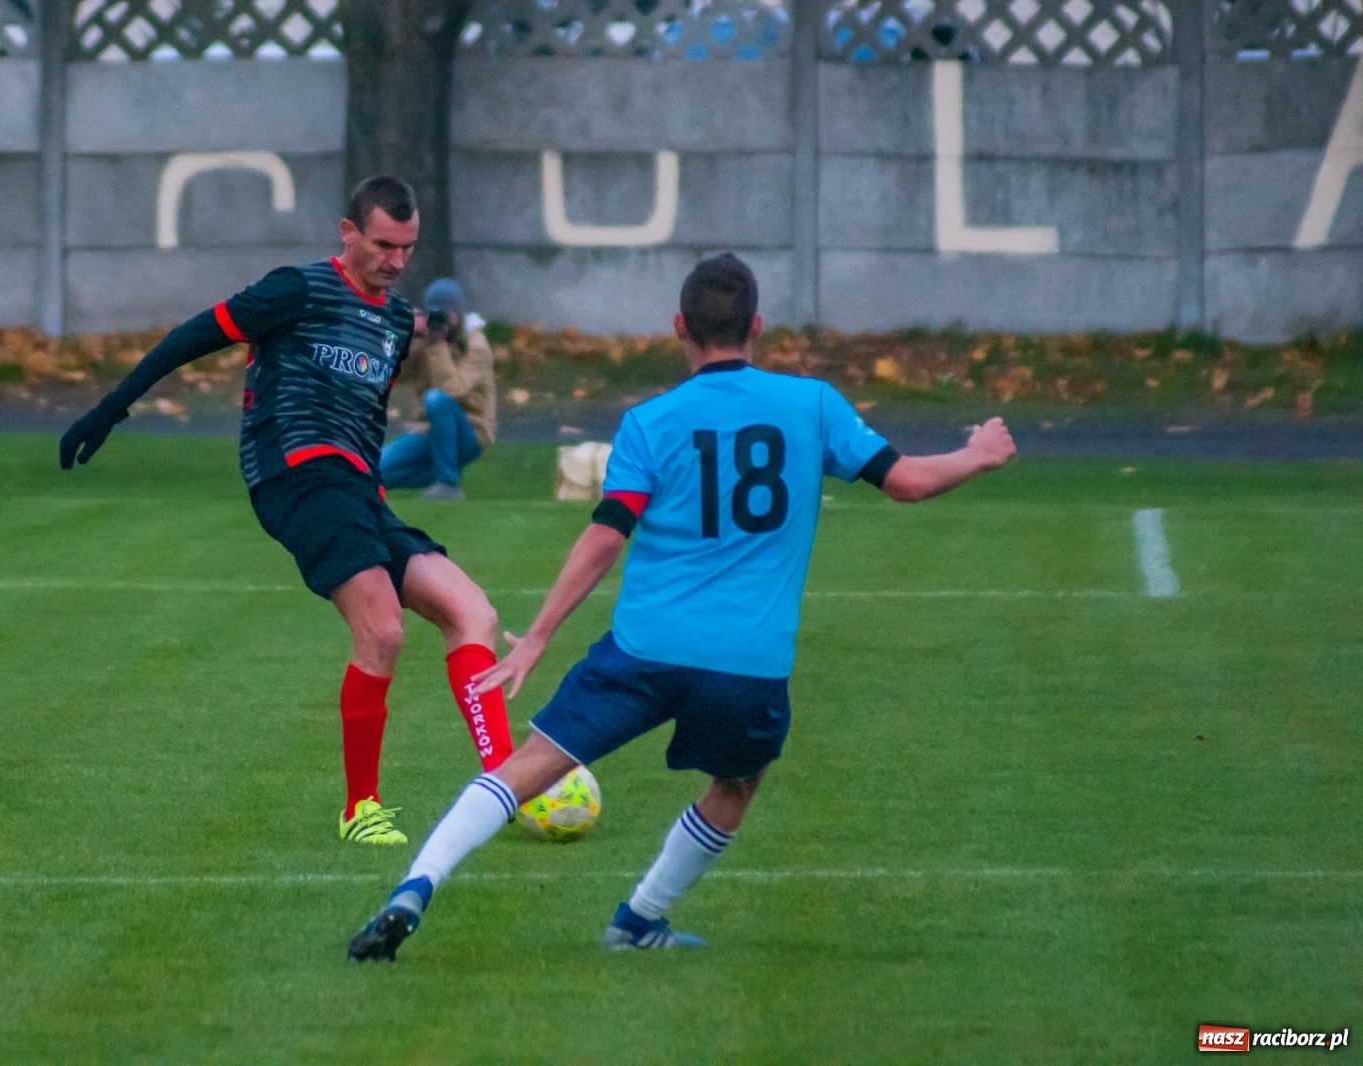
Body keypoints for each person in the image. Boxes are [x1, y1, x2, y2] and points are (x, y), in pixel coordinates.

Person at [347, 253, 1016, 959]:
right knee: (736, 781)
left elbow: (606, 537)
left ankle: (416, 885)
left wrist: (538, 636)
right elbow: (907, 481)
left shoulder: (649, 422)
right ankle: (640, 919)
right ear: (757, 325)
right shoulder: (812, 405)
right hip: (747, 664)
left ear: (679, 328)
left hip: (643, 650)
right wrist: (979, 454)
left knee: (530, 764)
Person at [58, 176, 514, 847]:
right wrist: (110, 407)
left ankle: (503, 784)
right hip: (295, 475)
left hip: (357, 492)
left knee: (472, 611)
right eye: (383, 244)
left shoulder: (393, 320)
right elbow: (192, 335)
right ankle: (362, 809)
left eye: (407, 248)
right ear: (348, 233)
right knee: (382, 631)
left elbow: (365, 415)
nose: (395, 260)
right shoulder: (295, 290)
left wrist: (376, 504)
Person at [380, 278, 496, 500]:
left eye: (448, 310)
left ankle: (448, 484)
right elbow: (397, 377)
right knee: (374, 472)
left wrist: (437, 344)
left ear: (459, 311)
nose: (442, 318)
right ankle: (439, 474)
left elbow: (452, 389)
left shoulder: (476, 345)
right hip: (429, 430)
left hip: (470, 431)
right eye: (436, 311)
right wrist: (409, 338)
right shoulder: (427, 339)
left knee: (435, 398)